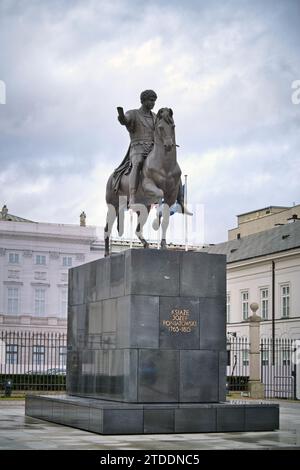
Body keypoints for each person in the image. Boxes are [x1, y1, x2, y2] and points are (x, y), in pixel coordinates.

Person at [117, 89, 157, 207]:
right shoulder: (133, 113)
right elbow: (125, 119)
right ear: (143, 100)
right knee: (138, 162)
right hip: (137, 148)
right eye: (151, 100)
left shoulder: (155, 117)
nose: (153, 103)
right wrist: (121, 116)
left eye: (154, 101)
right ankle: (133, 196)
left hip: (153, 150)